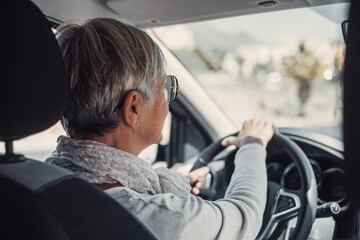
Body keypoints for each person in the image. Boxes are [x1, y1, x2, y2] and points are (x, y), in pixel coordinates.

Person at [45, 18, 275, 240]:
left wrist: (180, 179)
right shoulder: (154, 216)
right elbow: (244, 218)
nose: (167, 103)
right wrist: (253, 144)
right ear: (133, 107)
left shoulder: (44, 178)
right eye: (163, 89)